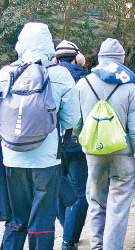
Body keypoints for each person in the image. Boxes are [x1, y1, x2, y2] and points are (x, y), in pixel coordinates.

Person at [0, 21, 80, 250]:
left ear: (21, 44)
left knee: (17, 219)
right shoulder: (60, 75)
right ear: (49, 46)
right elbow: (72, 120)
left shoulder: (5, 74)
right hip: (47, 160)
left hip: (12, 158)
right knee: (42, 221)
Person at [75, 38, 135, 250]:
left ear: (99, 58)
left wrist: (89, 142)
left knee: (96, 202)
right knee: (117, 208)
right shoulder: (129, 88)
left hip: (94, 155)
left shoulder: (83, 84)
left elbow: (77, 124)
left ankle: (97, 247)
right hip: (123, 155)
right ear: (121, 60)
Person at [53, 40, 88, 250]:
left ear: (56, 58)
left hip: (54, 145)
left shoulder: (48, 76)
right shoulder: (83, 79)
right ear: (78, 58)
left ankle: (67, 228)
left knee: (60, 188)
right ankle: (69, 239)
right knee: (80, 192)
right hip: (77, 144)